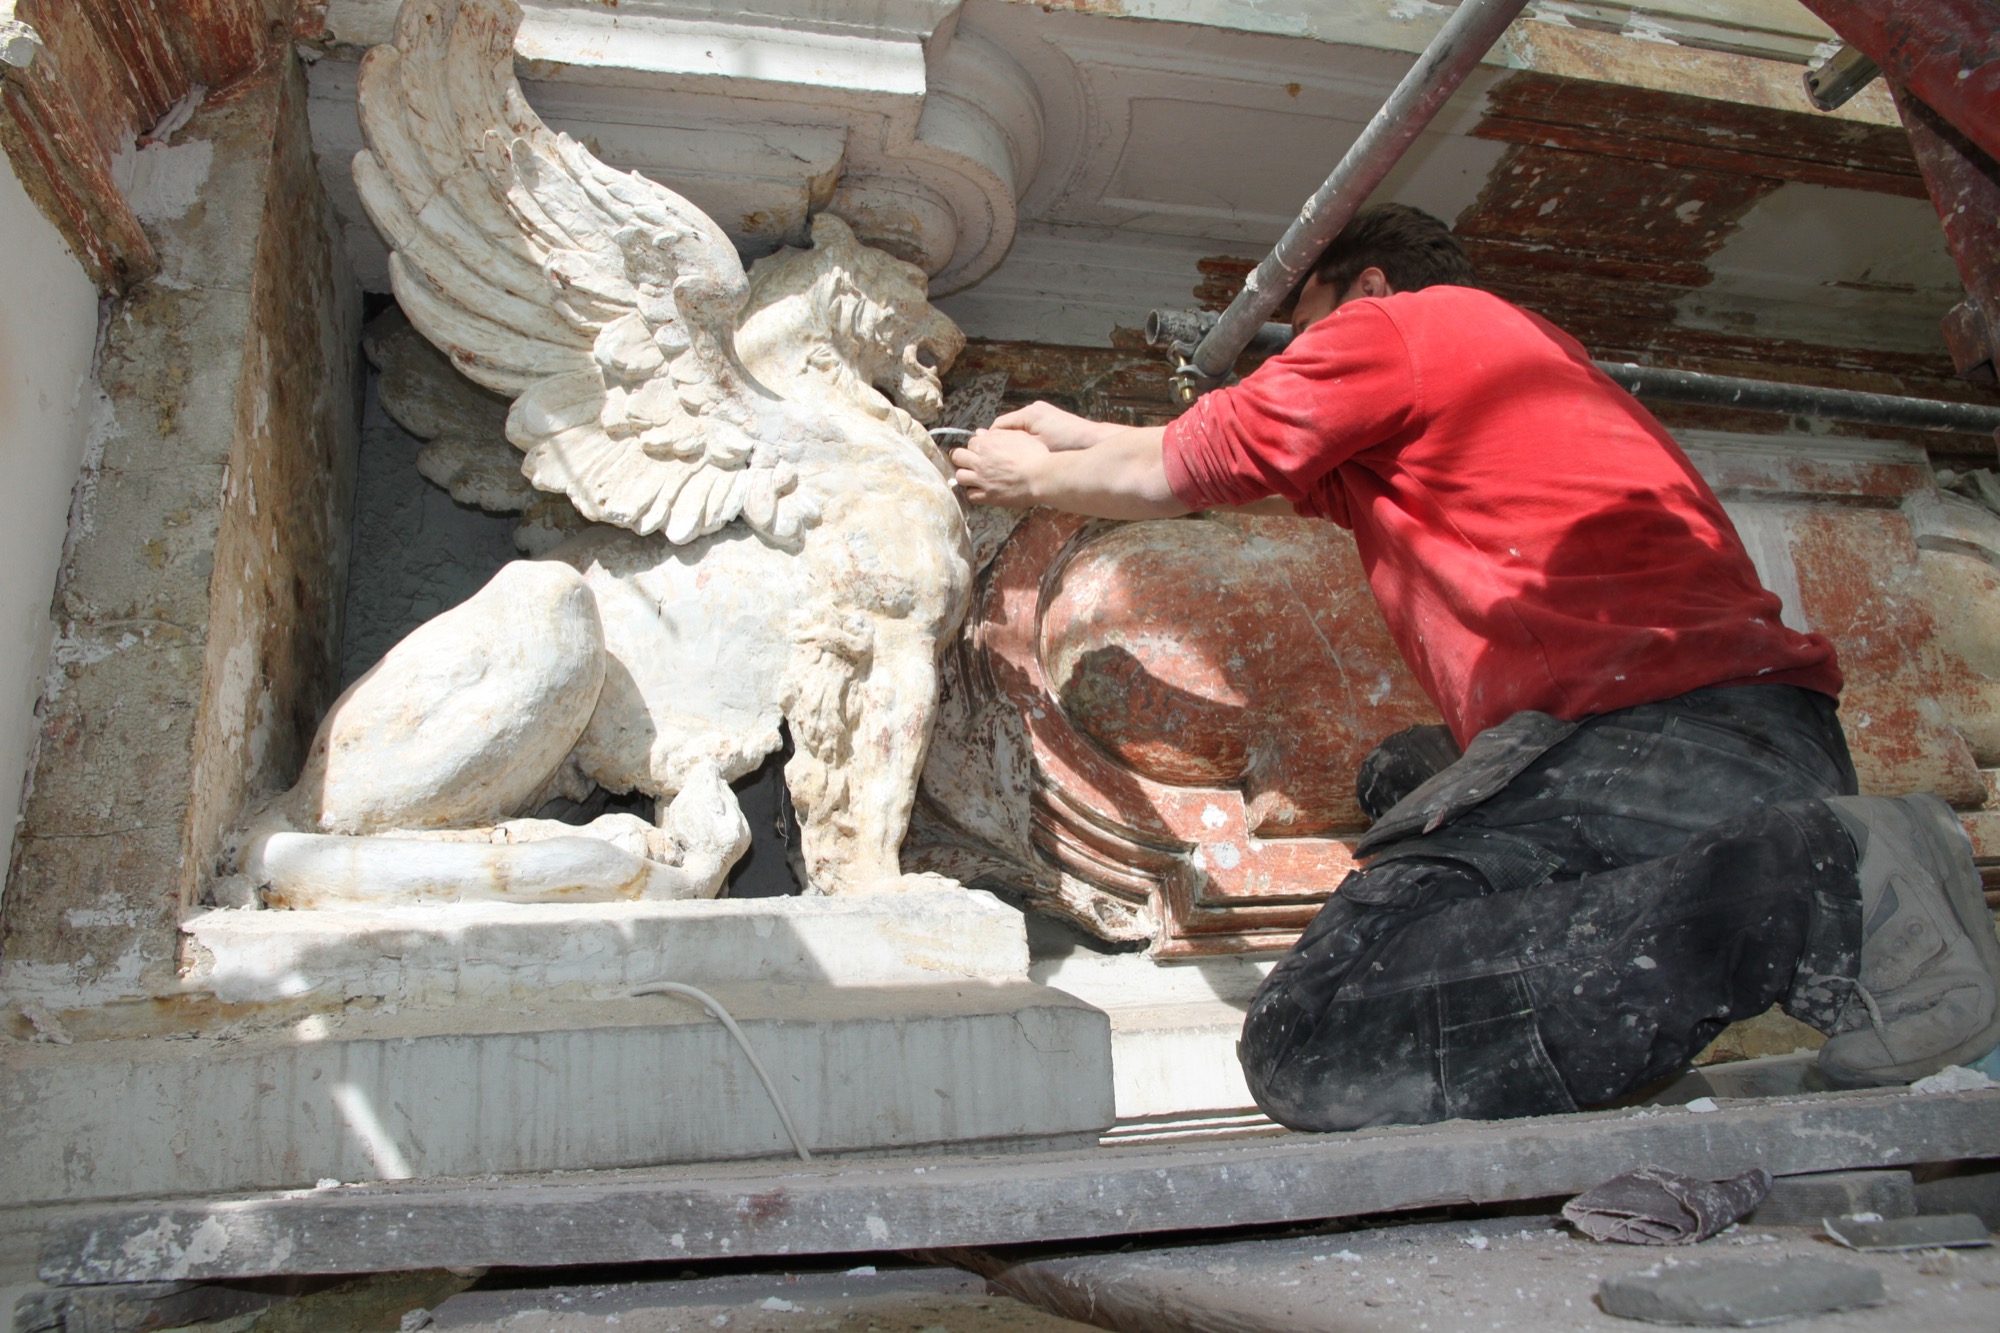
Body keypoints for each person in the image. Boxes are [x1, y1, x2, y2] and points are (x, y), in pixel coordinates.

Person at [949, 203, 2000, 1130]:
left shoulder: (1387, 327)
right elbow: (1241, 465)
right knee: (1407, 775)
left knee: (1314, 1033)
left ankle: (1810, 884)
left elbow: (1181, 468)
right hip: (1745, 743)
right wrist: (1078, 436)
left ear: (1364, 286)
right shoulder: (1508, 361)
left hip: (1645, 735)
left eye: (1301, 335)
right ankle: (1797, 893)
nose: (1297, 364)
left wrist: (1025, 476)